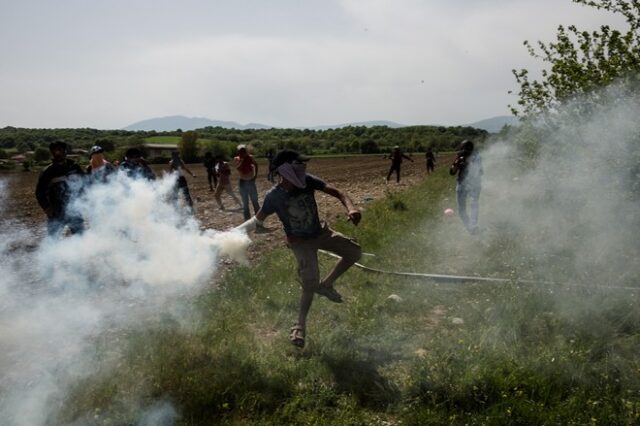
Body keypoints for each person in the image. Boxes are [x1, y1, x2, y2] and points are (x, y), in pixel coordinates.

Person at [238, 149, 362, 348]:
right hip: (299, 242)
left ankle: (327, 284)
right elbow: (257, 220)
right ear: (286, 169)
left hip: (320, 232)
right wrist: (231, 235)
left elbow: (338, 192)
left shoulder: (308, 181)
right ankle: (299, 325)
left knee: (354, 252)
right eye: (299, 163)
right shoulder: (274, 197)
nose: (304, 167)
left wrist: (352, 208)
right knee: (309, 281)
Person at [35, 140, 85, 236]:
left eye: (60, 150)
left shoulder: (74, 167)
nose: (58, 153)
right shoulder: (48, 172)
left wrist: (82, 201)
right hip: (56, 211)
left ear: (65, 151)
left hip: (74, 209)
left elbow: (84, 183)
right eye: (55, 151)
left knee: (80, 237)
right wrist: (47, 208)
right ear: (52, 153)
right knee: (54, 240)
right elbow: (40, 192)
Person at [449, 140, 483, 234]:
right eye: (464, 148)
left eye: (467, 149)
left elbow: (479, 172)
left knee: (474, 204)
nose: (465, 151)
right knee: (461, 209)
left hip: (474, 184)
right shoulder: (459, 157)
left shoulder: (477, 157)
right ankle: (470, 227)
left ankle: (473, 225)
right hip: (461, 184)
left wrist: (470, 161)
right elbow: (452, 172)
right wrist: (457, 162)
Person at [233, 144, 260, 221]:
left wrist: (255, 176)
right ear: (239, 152)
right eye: (241, 152)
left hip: (251, 181)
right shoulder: (236, 159)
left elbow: (256, 164)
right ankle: (247, 221)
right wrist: (242, 160)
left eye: (244, 151)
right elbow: (238, 168)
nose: (242, 153)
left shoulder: (250, 157)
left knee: (255, 201)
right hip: (242, 182)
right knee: (245, 203)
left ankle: (259, 219)